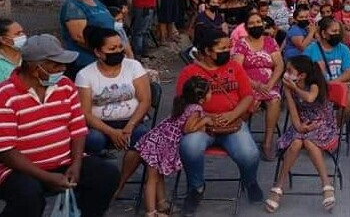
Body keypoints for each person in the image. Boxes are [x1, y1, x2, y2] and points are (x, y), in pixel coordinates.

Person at [0, 35, 119, 217]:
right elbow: (7, 151)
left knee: (106, 175)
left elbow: (78, 129)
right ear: (34, 69)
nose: (63, 69)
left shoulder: (65, 86)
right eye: (56, 65)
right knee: (28, 196)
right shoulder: (5, 95)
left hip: (64, 161)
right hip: (18, 169)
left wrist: (76, 165)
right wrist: (46, 177)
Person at [177, 29, 262, 216]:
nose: (227, 51)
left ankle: (250, 181)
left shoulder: (235, 67)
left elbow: (247, 97)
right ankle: (196, 188)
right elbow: (181, 102)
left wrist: (232, 114)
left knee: (249, 154)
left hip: (232, 122)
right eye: (222, 48)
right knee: (189, 146)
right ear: (207, 50)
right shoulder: (190, 72)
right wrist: (204, 117)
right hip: (201, 124)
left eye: (228, 47)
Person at [75, 27, 151, 195]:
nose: (118, 52)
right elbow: (85, 113)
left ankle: (119, 184)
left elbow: (145, 101)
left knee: (143, 137)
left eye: (119, 47)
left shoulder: (133, 66)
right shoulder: (85, 75)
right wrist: (111, 132)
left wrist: (130, 126)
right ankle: (94, 181)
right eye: (111, 49)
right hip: (100, 125)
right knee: (92, 140)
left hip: (132, 121)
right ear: (98, 52)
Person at [267, 55, 340, 212]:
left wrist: (294, 88)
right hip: (303, 122)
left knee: (308, 141)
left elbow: (310, 98)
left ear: (302, 75)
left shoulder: (314, 84)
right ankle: (279, 186)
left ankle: (326, 184)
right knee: (297, 142)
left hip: (323, 123)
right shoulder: (288, 86)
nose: (286, 73)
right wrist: (299, 127)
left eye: (289, 70)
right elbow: (293, 110)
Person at [136, 76, 212, 217]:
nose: (211, 94)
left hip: (157, 139)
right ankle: (151, 212)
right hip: (162, 143)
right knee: (152, 179)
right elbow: (188, 129)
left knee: (157, 175)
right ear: (201, 98)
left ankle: (162, 204)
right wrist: (205, 121)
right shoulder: (196, 108)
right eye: (210, 92)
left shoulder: (183, 102)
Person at [231, 13, 283, 160]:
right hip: (247, 84)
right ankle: (239, 138)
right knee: (249, 102)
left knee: (274, 100)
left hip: (269, 84)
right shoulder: (241, 44)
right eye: (252, 23)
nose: (256, 25)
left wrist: (270, 84)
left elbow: (279, 65)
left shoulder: (270, 41)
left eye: (258, 22)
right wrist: (255, 85)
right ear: (246, 27)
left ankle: (267, 142)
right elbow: (237, 69)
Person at [60, 0, 116, 77]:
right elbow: (79, 37)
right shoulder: (73, 6)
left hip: (106, 55)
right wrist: (102, 51)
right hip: (86, 61)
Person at [303, 18, 350, 121]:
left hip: (336, 88)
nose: (337, 34)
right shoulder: (310, 49)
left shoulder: (344, 49)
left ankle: (335, 128)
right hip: (316, 90)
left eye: (338, 31)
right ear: (324, 34)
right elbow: (303, 72)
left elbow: (349, 72)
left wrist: (331, 83)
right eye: (334, 31)